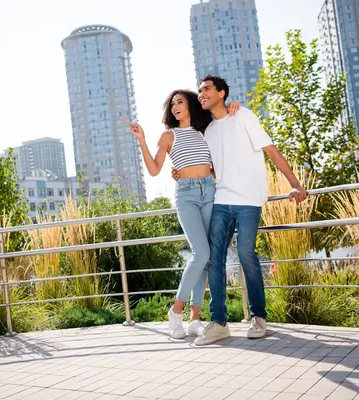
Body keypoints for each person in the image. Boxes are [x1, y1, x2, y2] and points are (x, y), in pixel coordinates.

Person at [173, 75, 308, 346]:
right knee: (215, 259)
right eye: (199, 91)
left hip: (248, 199)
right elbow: (208, 166)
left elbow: (271, 150)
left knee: (246, 253)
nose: (201, 94)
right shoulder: (207, 130)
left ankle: (258, 316)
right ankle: (219, 322)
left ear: (222, 93)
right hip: (221, 199)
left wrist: (295, 184)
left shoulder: (243, 115)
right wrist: (181, 173)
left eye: (207, 89)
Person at [122, 90, 239, 339]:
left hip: (209, 190)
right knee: (201, 253)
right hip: (186, 196)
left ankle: (195, 319)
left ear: (191, 105)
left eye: (180, 102)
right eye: (172, 103)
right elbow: (154, 170)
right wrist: (141, 139)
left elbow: (218, 160)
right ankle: (176, 312)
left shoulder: (205, 131)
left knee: (207, 257)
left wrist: (232, 106)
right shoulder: (168, 136)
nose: (175, 106)